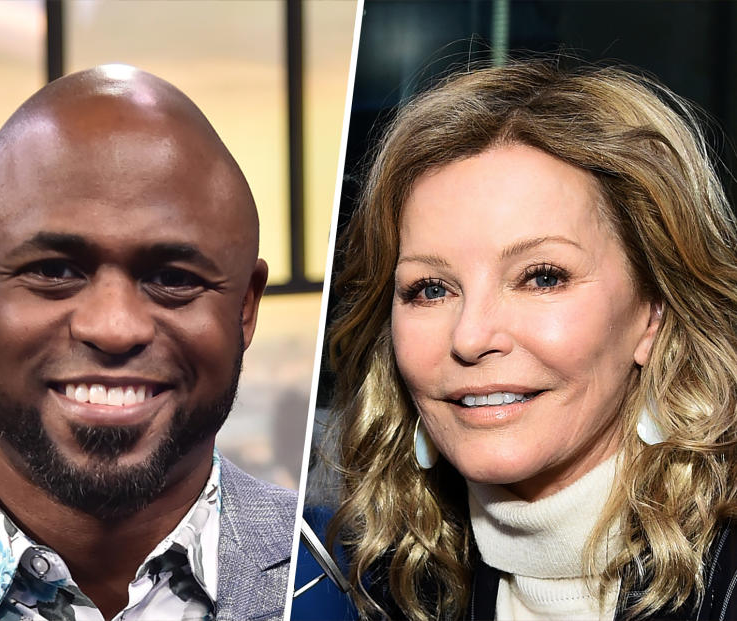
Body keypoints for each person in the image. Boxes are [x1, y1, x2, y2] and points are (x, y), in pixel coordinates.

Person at [316, 61, 737, 621]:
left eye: (542, 277)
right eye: (430, 289)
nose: (470, 337)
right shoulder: (380, 581)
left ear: (652, 312)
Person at [0, 64, 293, 621]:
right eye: (54, 270)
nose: (114, 327)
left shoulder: (343, 576)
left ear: (244, 309)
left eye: (172, 278)